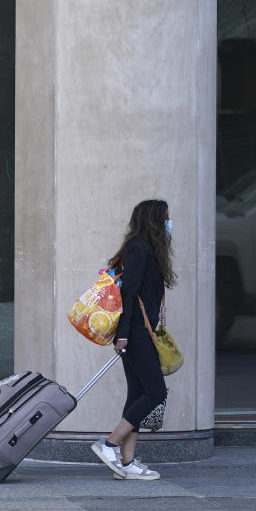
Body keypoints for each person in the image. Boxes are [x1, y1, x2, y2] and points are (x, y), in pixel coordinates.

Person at [90, 199, 176, 480]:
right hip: (135, 332)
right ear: (153, 220)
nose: (169, 223)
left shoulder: (147, 248)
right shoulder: (138, 247)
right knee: (156, 392)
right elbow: (128, 294)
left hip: (143, 330)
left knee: (138, 393)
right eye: (165, 218)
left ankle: (126, 463)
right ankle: (109, 443)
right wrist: (124, 334)